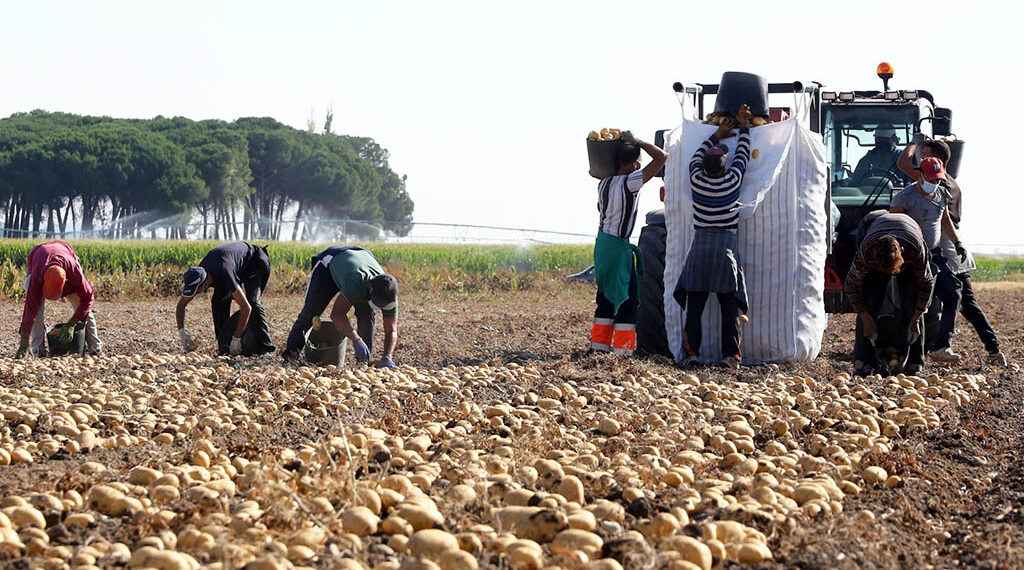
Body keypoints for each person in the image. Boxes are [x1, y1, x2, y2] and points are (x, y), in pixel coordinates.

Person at [898, 137, 1006, 366]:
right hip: (951, 251)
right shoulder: (951, 182)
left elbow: (903, 164)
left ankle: (985, 349)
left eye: (925, 156)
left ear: (936, 160)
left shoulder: (938, 183)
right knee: (963, 303)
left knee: (962, 301)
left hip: (948, 252)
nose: (922, 160)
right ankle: (991, 349)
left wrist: (914, 143)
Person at [673, 105, 752, 369]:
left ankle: (691, 354)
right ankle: (730, 356)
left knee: (695, 307)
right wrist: (743, 126)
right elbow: (743, 155)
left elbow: (695, 157)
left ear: (704, 167)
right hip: (724, 252)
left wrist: (717, 134)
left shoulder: (696, 180)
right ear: (724, 166)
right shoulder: (732, 181)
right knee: (728, 308)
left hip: (700, 250)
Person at [589, 130, 668, 356]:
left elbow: (600, 208)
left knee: (606, 297)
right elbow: (662, 157)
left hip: (602, 246)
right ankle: (622, 352)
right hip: (617, 247)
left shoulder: (604, 184)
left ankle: (598, 349)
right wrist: (639, 141)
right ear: (634, 164)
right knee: (628, 300)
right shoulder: (630, 182)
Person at [890, 156, 965, 363]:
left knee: (953, 294)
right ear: (920, 175)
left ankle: (941, 347)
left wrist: (958, 243)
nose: (934, 183)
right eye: (931, 179)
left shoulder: (942, 194)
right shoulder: (903, 198)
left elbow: (945, 221)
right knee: (912, 305)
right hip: (910, 257)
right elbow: (895, 228)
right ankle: (905, 356)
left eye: (938, 179)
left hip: (934, 254)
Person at [845, 211, 934, 376]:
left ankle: (914, 365)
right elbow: (851, 286)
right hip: (877, 248)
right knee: (870, 301)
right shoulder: (867, 253)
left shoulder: (914, 250)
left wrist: (916, 318)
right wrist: (867, 319)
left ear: (902, 251)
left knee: (912, 302)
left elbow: (926, 284)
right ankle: (863, 363)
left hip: (909, 242)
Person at [281, 245, 399, 367]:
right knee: (311, 312)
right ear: (370, 289)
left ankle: (363, 361)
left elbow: (391, 330)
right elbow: (337, 315)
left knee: (366, 314)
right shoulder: (356, 282)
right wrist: (356, 339)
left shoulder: (389, 293)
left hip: (360, 261)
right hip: (330, 265)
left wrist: (387, 356)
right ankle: (290, 356)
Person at [176, 241, 275, 356]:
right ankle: (224, 346)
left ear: (205, 284)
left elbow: (246, 307)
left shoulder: (224, 272)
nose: (196, 294)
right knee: (218, 303)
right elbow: (181, 305)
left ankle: (266, 347)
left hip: (255, 262)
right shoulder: (197, 273)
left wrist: (236, 338)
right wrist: (182, 333)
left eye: (197, 290)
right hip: (232, 265)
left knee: (253, 303)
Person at [16, 241, 103, 358]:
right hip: (39, 259)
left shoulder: (74, 273)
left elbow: (88, 298)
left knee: (85, 309)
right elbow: (30, 311)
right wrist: (24, 342)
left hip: (66, 256)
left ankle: (95, 348)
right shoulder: (37, 279)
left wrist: (72, 323)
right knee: (36, 310)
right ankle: (37, 349)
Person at [841, 126, 911, 188]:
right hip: (865, 196)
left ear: (894, 140)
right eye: (879, 139)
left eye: (885, 139)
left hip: (896, 196)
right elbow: (855, 182)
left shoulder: (903, 158)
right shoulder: (866, 160)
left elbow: (910, 182)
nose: (882, 143)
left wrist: (903, 185)